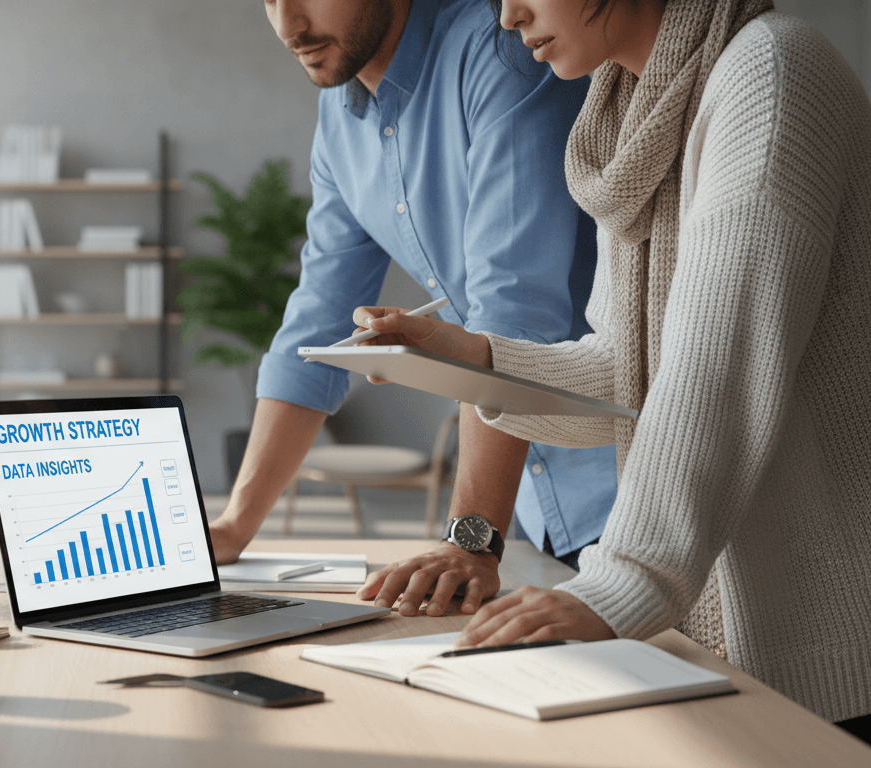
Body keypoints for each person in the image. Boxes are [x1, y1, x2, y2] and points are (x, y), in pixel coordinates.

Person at [353, 0, 871, 734]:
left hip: (834, 657)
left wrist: (624, 581)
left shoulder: (771, 75)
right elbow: (630, 373)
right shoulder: (640, 110)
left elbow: (713, 373)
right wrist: (470, 358)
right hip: (723, 651)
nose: (509, 15)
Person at [209, 0, 620, 618]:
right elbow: (318, 318)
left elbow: (512, 313)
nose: (289, 26)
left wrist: (470, 540)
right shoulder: (341, 114)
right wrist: (234, 526)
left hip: (629, 487)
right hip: (536, 513)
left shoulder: (505, 49)